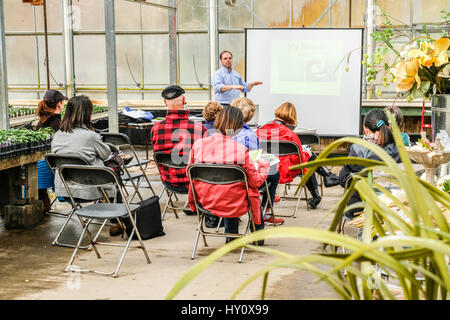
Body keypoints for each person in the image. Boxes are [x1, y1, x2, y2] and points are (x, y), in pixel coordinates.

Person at [187, 106, 270, 244]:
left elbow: (189, 172)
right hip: (234, 203)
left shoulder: (198, 145)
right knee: (244, 191)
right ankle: (258, 238)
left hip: (205, 199)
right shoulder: (240, 150)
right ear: (238, 127)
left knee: (228, 188)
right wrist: (263, 166)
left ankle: (231, 236)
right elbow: (256, 182)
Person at [51, 95, 121, 236]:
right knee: (115, 175)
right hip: (89, 189)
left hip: (65, 190)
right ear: (87, 114)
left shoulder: (57, 135)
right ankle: (115, 222)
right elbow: (105, 153)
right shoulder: (91, 136)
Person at [256, 102, 340, 209]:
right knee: (308, 160)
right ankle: (324, 182)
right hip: (283, 171)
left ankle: (323, 184)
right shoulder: (290, 134)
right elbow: (298, 160)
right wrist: (307, 153)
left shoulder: (261, 131)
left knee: (307, 158)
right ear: (291, 117)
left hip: (265, 169)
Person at [151, 85, 206, 215]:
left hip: (169, 181)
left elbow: (156, 153)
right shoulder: (199, 129)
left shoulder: (156, 129)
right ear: (184, 100)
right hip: (194, 183)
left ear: (165, 102)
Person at [339, 108, 401, 220]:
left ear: (366, 131)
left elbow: (343, 179)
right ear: (389, 127)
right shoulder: (403, 151)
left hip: (362, 211)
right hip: (398, 207)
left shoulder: (358, 150)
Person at [231, 97, 283, 226]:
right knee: (274, 173)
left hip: (224, 181)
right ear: (250, 116)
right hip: (245, 182)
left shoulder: (223, 131)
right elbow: (252, 162)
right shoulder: (250, 135)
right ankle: (266, 212)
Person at [36, 89, 68, 212]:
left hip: (42, 174)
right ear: (59, 104)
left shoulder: (41, 123)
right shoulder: (59, 124)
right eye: (63, 102)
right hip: (55, 173)